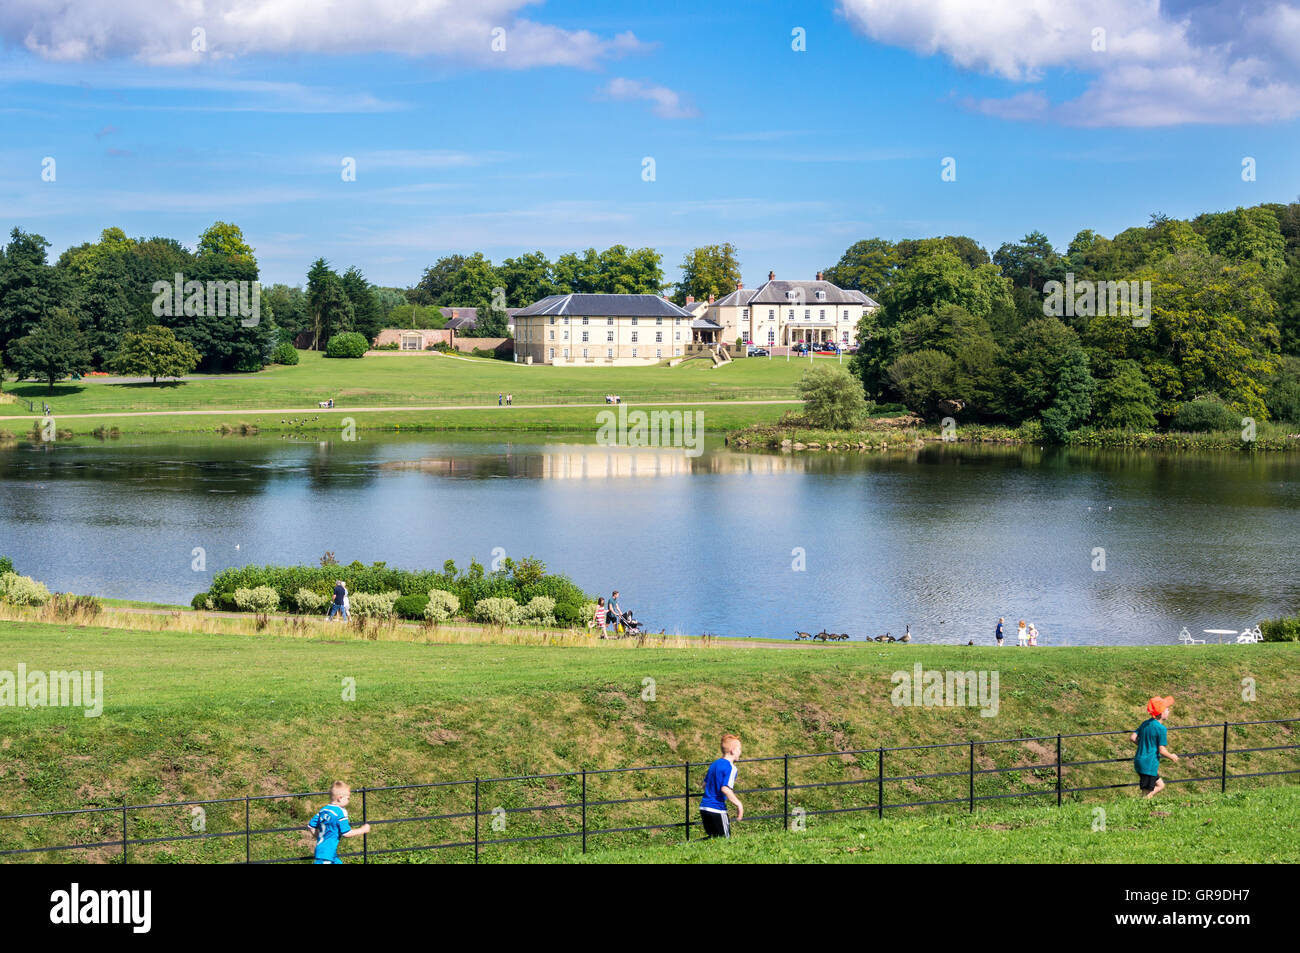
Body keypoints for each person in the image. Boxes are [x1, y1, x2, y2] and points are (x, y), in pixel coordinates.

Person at [307, 780, 371, 864]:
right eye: (348, 798)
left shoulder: (323, 810)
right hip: (327, 854)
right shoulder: (340, 812)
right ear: (340, 798)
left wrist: (320, 837)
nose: (349, 800)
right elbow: (346, 833)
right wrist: (363, 830)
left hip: (326, 851)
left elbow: (310, 826)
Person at [1132, 696, 1182, 799]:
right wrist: (1171, 756)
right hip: (1149, 763)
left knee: (1160, 785)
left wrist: (1144, 745)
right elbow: (1162, 750)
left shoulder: (1146, 723)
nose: (1169, 711)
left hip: (1139, 760)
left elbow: (1133, 738)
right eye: (1167, 709)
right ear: (1161, 713)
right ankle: (1141, 806)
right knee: (1146, 791)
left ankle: (1142, 803)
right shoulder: (1161, 729)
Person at [699, 734, 744, 838]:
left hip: (704, 808)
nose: (740, 752)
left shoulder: (714, 764)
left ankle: (687, 846)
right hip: (717, 809)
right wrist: (739, 804)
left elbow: (704, 785)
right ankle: (687, 845)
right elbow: (725, 788)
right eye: (739, 749)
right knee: (725, 841)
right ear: (732, 751)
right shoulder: (731, 768)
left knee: (713, 840)